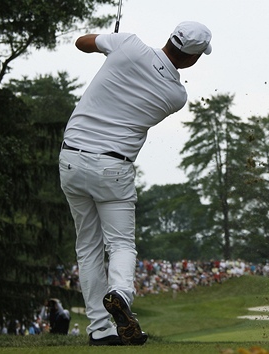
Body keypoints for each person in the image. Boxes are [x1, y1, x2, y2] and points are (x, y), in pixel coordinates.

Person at [59, 21, 212, 346]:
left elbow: (81, 42)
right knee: (121, 245)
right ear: (193, 58)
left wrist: (111, 45)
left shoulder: (128, 44)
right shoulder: (176, 95)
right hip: (113, 167)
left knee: (87, 247)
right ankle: (121, 295)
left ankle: (100, 330)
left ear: (170, 37)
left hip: (71, 157)